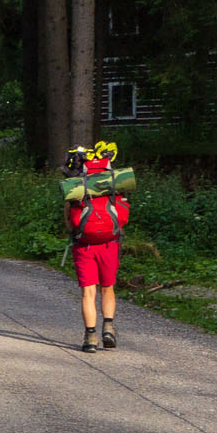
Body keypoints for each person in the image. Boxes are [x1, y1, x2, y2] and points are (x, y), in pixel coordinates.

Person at [66, 145, 128, 352]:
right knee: (107, 287)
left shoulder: (77, 186)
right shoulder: (114, 183)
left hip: (84, 245)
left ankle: (90, 337)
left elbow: (70, 222)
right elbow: (123, 216)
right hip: (109, 243)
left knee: (88, 292)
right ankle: (108, 327)